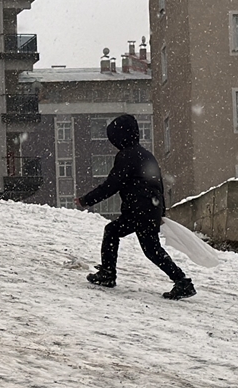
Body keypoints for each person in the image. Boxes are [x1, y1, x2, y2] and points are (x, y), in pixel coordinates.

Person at [75, 113, 196, 300]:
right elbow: (159, 185)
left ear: (120, 137)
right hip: (149, 209)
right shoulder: (146, 155)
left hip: (139, 210)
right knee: (146, 247)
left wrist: (86, 200)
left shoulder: (127, 156)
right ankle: (181, 281)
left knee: (121, 235)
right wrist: (160, 211)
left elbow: (112, 184)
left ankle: (109, 274)